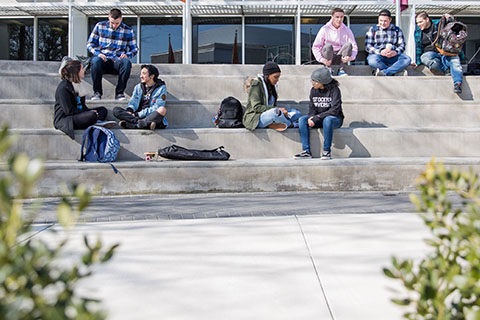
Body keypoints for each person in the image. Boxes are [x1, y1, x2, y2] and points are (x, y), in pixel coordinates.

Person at [54, 59, 115, 139]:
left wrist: (87, 111)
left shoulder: (78, 85)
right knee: (92, 115)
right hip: (67, 119)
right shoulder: (64, 88)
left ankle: (96, 122)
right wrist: (88, 112)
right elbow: (69, 111)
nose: (84, 70)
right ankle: (95, 122)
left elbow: (83, 106)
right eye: (82, 68)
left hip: (78, 114)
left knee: (102, 110)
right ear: (76, 71)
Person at [87, 8, 137, 101]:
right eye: (112, 23)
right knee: (95, 60)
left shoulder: (128, 30)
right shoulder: (100, 26)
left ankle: (120, 93)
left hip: (117, 62)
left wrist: (127, 55)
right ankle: (97, 93)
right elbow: (90, 44)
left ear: (121, 19)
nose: (114, 26)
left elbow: (134, 49)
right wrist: (98, 53)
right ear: (109, 17)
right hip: (102, 60)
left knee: (126, 63)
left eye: (117, 23)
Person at [294, 67, 344, 160]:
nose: (313, 83)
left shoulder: (334, 90)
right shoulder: (314, 90)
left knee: (328, 119)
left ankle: (326, 151)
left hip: (334, 119)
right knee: (302, 120)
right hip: (320, 118)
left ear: (323, 81)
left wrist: (317, 117)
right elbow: (312, 107)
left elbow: (334, 110)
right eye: (312, 81)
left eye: (315, 81)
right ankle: (306, 151)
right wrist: (311, 117)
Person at [414, 12, 464, 93]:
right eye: (417, 23)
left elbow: (453, 26)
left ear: (427, 19)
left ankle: (457, 84)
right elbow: (418, 47)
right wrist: (417, 62)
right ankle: (445, 69)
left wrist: (449, 18)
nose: (418, 24)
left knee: (455, 60)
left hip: (445, 51)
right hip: (431, 55)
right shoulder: (417, 31)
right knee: (425, 57)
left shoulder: (438, 24)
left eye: (420, 22)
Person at [243, 61, 301, 131]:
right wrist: (278, 109)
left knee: (296, 113)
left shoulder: (272, 86)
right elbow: (257, 107)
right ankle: (291, 124)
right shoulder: (256, 85)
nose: (277, 80)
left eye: (278, 77)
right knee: (275, 113)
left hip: (272, 114)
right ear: (267, 75)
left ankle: (272, 124)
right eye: (275, 77)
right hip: (256, 118)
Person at [113, 64, 167, 130]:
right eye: (141, 74)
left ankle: (134, 124)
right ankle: (141, 124)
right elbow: (133, 101)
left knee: (162, 110)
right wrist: (130, 110)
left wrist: (138, 114)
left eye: (144, 74)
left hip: (149, 115)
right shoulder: (138, 87)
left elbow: (157, 106)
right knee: (116, 110)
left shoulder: (161, 88)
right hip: (136, 116)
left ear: (152, 76)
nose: (141, 76)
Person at [312, 7, 358, 76]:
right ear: (332, 17)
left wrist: (351, 57)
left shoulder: (347, 30)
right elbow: (316, 46)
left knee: (348, 45)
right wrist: (321, 59)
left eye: (341, 17)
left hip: (340, 56)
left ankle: (341, 70)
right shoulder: (324, 29)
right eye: (337, 17)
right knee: (328, 46)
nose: (339, 19)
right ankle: (328, 69)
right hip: (329, 56)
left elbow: (354, 47)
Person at [365, 9, 411, 76]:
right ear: (378, 19)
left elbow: (402, 45)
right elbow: (368, 46)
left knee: (407, 59)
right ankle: (393, 72)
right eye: (381, 20)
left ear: (390, 20)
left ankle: (385, 72)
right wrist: (380, 51)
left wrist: (395, 52)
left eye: (385, 21)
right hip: (378, 56)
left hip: (393, 56)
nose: (383, 23)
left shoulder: (397, 30)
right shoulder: (373, 29)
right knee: (372, 60)